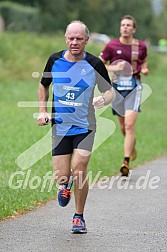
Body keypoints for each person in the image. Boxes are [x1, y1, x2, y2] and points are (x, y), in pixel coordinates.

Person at [37, 20, 114, 233]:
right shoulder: (54, 60)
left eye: (79, 38)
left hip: (85, 125)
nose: (75, 42)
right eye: (71, 38)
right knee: (62, 176)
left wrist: (103, 100)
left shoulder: (94, 64)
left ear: (87, 40)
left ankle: (79, 217)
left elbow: (109, 91)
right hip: (60, 126)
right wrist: (43, 110)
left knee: (79, 169)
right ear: (65, 39)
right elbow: (43, 85)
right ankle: (65, 185)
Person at [100, 15, 149, 176]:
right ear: (120, 28)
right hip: (116, 89)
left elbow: (144, 60)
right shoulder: (112, 45)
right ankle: (132, 146)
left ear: (134, 29)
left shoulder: (140, 46)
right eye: (123, 25)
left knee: (129, 125)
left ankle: (125, 162)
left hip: (134, 87)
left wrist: (144, 69)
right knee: (123, 126)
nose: (125, 27)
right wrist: (116, 68)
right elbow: (100, 65)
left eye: (128, 25)